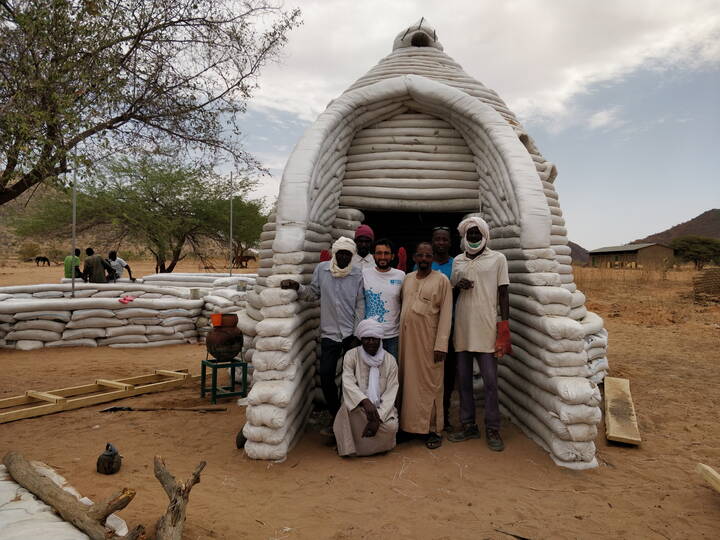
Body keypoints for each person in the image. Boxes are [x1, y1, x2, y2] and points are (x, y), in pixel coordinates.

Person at [281, 237, 364, 427]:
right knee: (326, 376)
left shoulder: (357, 274)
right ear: (334, 253)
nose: (343, 257)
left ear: (352, 256)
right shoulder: (323, 270)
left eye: (347, 254)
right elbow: (313, 293)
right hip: (329, 333)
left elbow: (360, 304)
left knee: (350, 378)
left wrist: (356, 334)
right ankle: (335, 414)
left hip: (350, 335)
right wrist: (297, 287)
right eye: (340, 253)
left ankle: (348, 417)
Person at [448, 216, 511, 452]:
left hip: (487, 329)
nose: (473, 238)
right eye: (469, 234)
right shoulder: (457, 260)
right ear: (464, 237)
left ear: (485, 235)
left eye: (477, 234)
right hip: (463, 329)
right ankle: (468, 425)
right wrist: (458, 285)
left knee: (490, 382)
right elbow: (451, 291)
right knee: (463, 381)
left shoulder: (498, 259)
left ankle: (493, 427)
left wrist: (504, 326)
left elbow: (503, 293)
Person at [398, 242, 453, 449]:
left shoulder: (442, 280)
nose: (424, 259)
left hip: (429, 344)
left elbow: (446, 314)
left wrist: (441, 344)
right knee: (408, 384)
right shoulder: (408, 279)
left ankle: (433, 429)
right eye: (420, 255)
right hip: (406, 343)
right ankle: (408, 428)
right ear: (414, 258)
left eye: (427, 256)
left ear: (432, 258)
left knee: (431, 385)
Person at [333, 317, 399, 457]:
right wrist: (365, 401)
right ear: (361, 339)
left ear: (380, 339)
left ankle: (367, 447)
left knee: (391, 428)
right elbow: (348, 383)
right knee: (344, 414)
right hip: (358, 407)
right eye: (366, 338)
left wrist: (377, 418)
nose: (370, 342)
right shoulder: (351, 356)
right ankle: (352, 448)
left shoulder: (390, 361)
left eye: (374, 338)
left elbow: (391, 392)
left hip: (380, 410)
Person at [430, 226, 458, 432]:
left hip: (451, 327)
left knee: (448, 372)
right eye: (437, 240)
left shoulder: (457, 264)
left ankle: (444, 413)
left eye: (444, 240)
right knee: (428, 371)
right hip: (428, 328)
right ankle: (428, 413)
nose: (441, 243)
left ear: (450, 242)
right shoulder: (423, 263)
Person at [362, 238, 404, 360]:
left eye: (386, 253)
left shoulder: (401, 275)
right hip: (370, 336)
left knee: (391, 373)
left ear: (392, 256)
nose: (382, 257)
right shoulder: (364, 274)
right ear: (373, 255)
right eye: (379, 253)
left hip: (393, 336)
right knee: (369, 374)